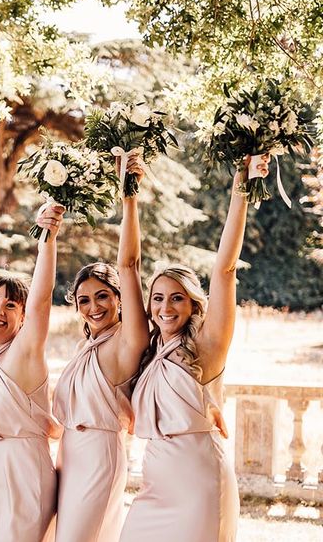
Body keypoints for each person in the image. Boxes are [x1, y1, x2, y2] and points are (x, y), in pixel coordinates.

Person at [119, 156, 267, 542]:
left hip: (199, 480)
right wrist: (128, 194)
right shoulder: (147, 351)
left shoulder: (206, 347)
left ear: (193, 305)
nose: (165, 308)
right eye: (158, 299)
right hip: (155, 479)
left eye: (177, 299)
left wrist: (241, 185)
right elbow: (128, 266)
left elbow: (225, 269)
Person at [53, 152, 149, 542]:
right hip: (69, 454)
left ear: (119, 298)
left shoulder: (129, 339)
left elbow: (130, 265)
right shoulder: (83, 347)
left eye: (102, 296)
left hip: (101, 455)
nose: (93, 307)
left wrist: (129, 195)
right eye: (84, 300)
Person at [0, 204, 65, 542]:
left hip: (24, 470)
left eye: (10, 305)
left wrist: (46, 240)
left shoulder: (24, 352)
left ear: (22, 317)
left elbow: (41, 301)